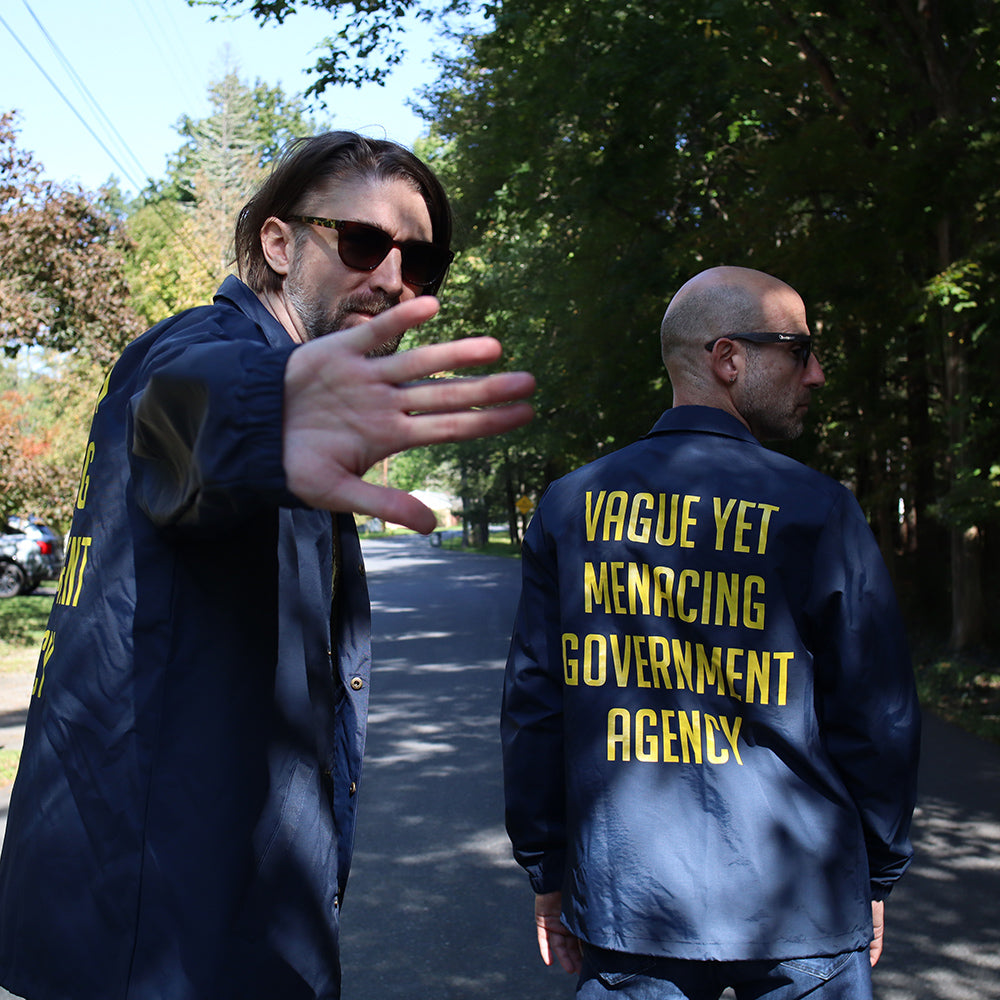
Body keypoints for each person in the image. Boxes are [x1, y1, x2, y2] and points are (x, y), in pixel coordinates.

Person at [0, 131, 534, 1000]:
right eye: (362, 243)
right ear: (280, 245)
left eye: (420, 260)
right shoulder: (198, 359)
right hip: (157, 936)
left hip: (239, 917)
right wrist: (264, 415)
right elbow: (183, 417)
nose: (394, 278)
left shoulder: (305, 415)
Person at [501, 265, 920, 999]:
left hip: (632, 902)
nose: (815, 374)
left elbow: (537, 706)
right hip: (804, 908)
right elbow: (876, 715)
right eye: (799, 349)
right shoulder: (818, 509)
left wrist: (549, 870)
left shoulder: (571, 507)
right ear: (728, 359)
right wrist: (876, 870)